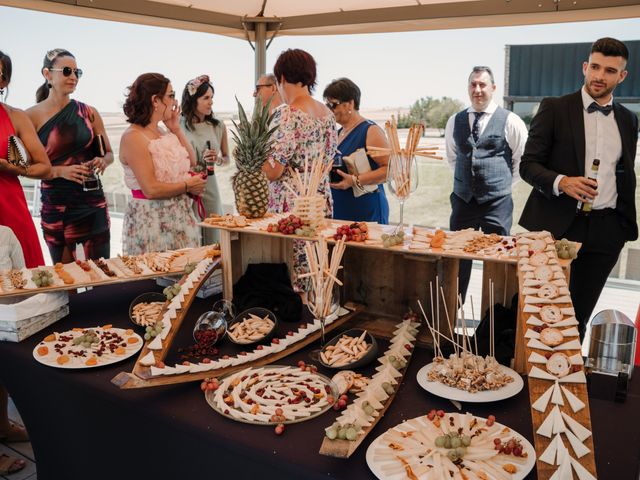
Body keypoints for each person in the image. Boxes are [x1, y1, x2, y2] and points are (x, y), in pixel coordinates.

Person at [519, 37, 637, 340]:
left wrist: (621, 228)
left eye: (610, 70)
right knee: (540, 316)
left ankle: (567, 382)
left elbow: (624, 173)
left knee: (576, 320)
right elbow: (528, 165)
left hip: (606, 232)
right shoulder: (554, 108)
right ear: (585, 67)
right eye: (595, 67)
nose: (600, 76)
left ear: (622, 76)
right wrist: (563, 182)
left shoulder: (629, 120)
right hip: (556, 227)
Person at [445, 65, 528, 301]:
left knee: (498, 261)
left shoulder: (511, 120)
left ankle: (494, 315)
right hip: (463, 202)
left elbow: (521, 160)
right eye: (473, 84)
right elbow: (453, 158)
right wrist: (466, 183)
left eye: (482, 84)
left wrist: (500, 186)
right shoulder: (455, 120)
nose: (477, 89)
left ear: (493, 88)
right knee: (458, 260)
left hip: (497, 204)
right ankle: (453, 310)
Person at [26, 49, 113, 263]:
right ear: (47, 74)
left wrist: (103, 160)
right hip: (56, 204)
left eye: (77, 72)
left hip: (92, 201)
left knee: (101, 275)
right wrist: (59, 171)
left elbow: (109, 153)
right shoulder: (30, 116)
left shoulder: (89, 112)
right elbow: (24, 166)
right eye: (67, 71)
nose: (73, 77)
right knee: (66, 279)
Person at [264, 49, 337, 292]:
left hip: (292, 203)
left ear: (282, 78)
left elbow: (274, 171)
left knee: (292, 276)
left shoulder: (287, 114)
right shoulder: (327, 114)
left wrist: (255, 157)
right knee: (316, 270)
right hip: (319, 200)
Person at [119, 73, 206, 255]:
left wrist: (175, 128)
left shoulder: (162, 131)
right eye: (171, 95)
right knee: (158, 280)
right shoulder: (133, 137)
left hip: (179, 216)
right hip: (152, 221)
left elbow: (192, 161)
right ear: (155, 100)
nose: (175, 101)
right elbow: (150, 189)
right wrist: (187, 185)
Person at [0, 51, 50, 268]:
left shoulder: (15, 116)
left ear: (4, 81)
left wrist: (11, 168)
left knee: (22, 278)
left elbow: (44, 167)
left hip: (8, 204)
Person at [323, 77, 390, 223]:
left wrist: (354, 180)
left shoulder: (370, 130)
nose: (329, 110)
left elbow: (390, 170)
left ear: (350, 104)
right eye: (327, 105)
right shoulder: (338, 133)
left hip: (365, 211)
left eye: (333, 105)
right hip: (341, 210)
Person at [180, 74, 229, 244]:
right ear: (193, 99)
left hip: (210, 185)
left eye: (212, 98)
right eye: (206, 98)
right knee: (191, 235)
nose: (211, 102)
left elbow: (227, 158)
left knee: (213, 235)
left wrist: (217, 159)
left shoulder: (218, 126)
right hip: (187, 188)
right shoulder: (178, 125)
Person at [0, 227, 30, 477]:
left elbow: (23, 278)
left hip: (5, 323)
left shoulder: (6, 234)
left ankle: (2, 426)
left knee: (3, 376)